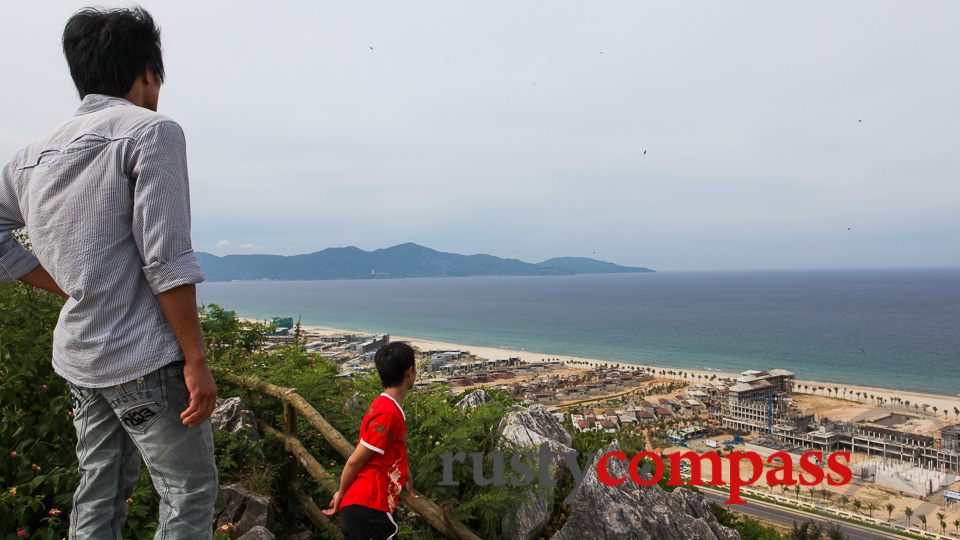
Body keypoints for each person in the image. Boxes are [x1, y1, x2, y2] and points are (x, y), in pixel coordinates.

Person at [0, 7, 218, 539]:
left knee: (98, 487)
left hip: (80, 357)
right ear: (148, 72)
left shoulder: (28, 159)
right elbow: (166, 259)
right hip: (144, 355)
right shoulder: (152, 132)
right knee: (188, 492)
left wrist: (71, 286)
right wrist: (196, 358)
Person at [323, 342, 420, 539]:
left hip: (362, 508)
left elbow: (387, 450)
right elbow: (355, 460)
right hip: (368, 508)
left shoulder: (384, 404)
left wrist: (405, 474)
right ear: (409, 371)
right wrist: (340, 493)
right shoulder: (387, 413)